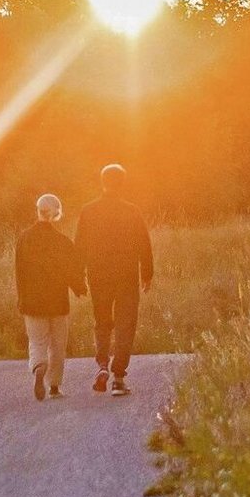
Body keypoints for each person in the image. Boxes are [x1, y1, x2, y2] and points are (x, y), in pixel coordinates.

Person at [74, 164, 153, 397]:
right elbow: (144, 244)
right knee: (125, 324)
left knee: (102, 322)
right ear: (123, 183)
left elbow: (80, 246)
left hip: (99, 276)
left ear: (102, 182)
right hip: (126, 276)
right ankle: (118, 378)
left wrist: (78, 278)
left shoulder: (89, 211)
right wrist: (147, 274)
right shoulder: (132, 211)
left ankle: (102, 365)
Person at [14, 193, 85, 401]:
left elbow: (19, 272)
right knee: (57, 345)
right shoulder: (62, 241)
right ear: (56, 213)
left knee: (37, 342)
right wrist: (79, 288)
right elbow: (71, 270)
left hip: (32, 302)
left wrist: (22, 299)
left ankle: (39, 367)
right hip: (57, 302)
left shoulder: (24, 239)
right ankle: (54, 386)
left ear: (38, 211)